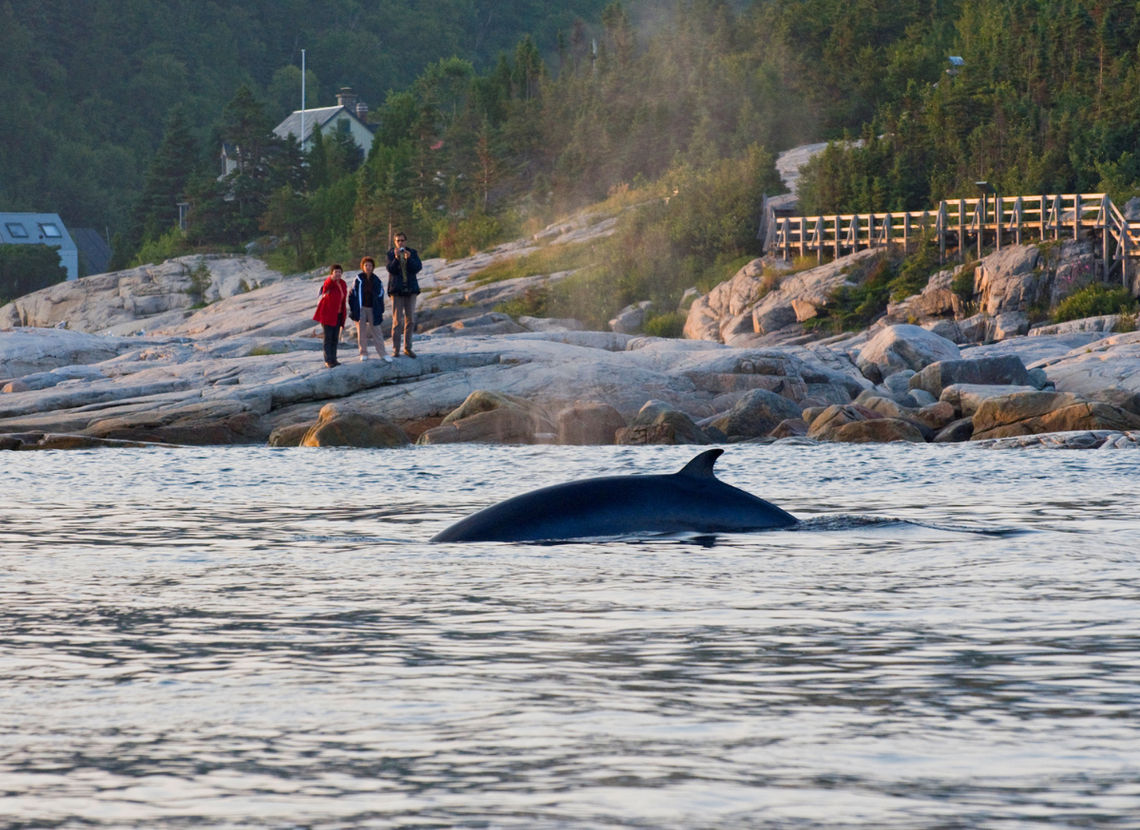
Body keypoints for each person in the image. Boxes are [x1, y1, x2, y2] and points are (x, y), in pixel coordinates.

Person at [386, 231, 422, 358]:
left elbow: (417, 268)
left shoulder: (412, 253)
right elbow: (390, 269)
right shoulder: (391, 253)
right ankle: (396, 349)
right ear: (395, 242)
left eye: (402, 240)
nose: (400, 242)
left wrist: (410, 258)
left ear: (405, 242)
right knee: (397, 321)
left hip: (410, 290)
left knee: (410, 319)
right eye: (398, 241)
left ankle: (408, 348)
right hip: (396, 290)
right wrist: (396, 259)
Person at [348, 256, 392, 362]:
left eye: (370, 265)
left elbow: (381, 295)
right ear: (362, 267)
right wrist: (354, 310)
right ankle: (363, 353)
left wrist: (380, 309)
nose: (368, 267)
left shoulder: (377, 280)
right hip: (361, 309)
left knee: (377, 331)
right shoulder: (358, 279)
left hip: (373, 308)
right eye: (366, 265)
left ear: (373, 267)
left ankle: (383, 353)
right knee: (361, 331)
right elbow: (352, 294)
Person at [313, 263, 348, 368]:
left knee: (335, 338)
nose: (338, 274)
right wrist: (331, 279)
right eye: (335, 272)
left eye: (339, 272)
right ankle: (328, 360)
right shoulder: (329, 283)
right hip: (328, 315)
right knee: (328, 338)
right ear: (331, 273)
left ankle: (334, 359)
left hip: (338, 314)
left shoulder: (342, 283)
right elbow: (326, 287)